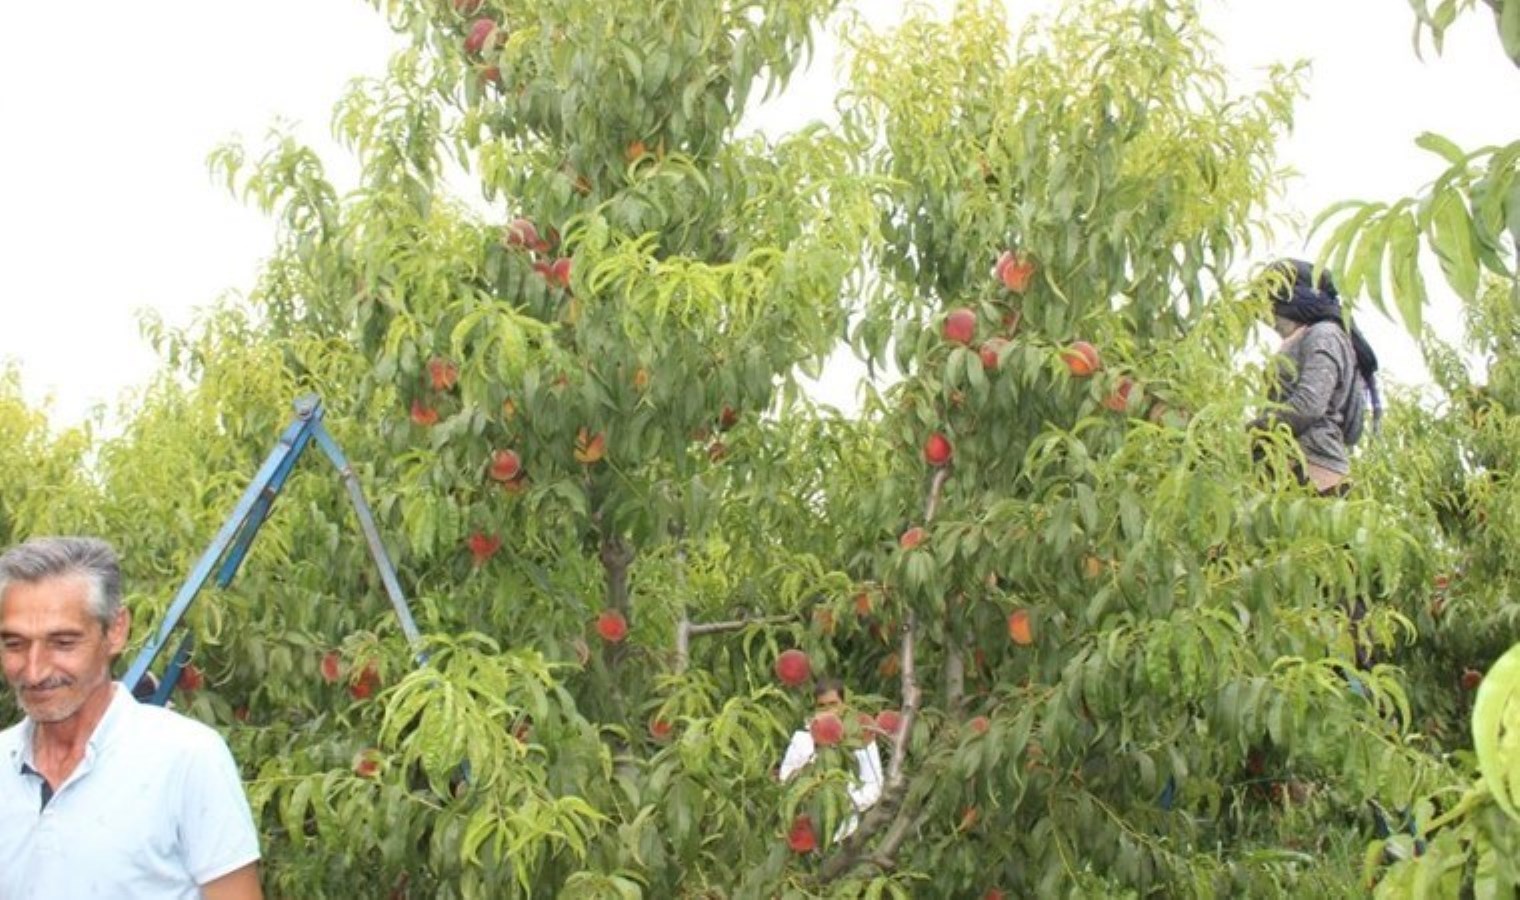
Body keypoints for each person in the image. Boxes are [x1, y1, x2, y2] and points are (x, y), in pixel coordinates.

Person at [0, 536, 263, 899]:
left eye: (63, 643)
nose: (34, 671)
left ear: (116, 630)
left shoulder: (186, 758)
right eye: (15, 644)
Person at [1250, 258, 1381, 496]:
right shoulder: (1309, 338)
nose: (1269, 321)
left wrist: (1249, 433)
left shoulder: (1324, 335)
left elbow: (1308, 406)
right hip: (1291, 473)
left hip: (1316, 478)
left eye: (1270, 309)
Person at [779, 677, 884, 839]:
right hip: (808, 829)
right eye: (822, 706)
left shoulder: (861, 739)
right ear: (814, 708)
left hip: (847, 832)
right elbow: (785, 778)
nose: (828, 711)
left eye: (833, 704)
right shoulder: (802, 738)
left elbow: (874, 786)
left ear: (844, 705)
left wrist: (840, 804)